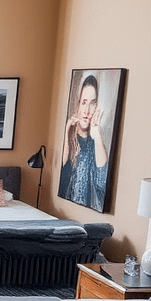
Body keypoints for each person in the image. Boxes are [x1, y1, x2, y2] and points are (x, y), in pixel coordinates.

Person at [58, 73, 109, 211]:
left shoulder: (95, 145)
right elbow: (62, 171)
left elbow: (102, 184)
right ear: (78, 105)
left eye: (92, 104)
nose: (87, 111)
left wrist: (97, 136)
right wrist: (67, 133)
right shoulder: (71, 138)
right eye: (84, 102)